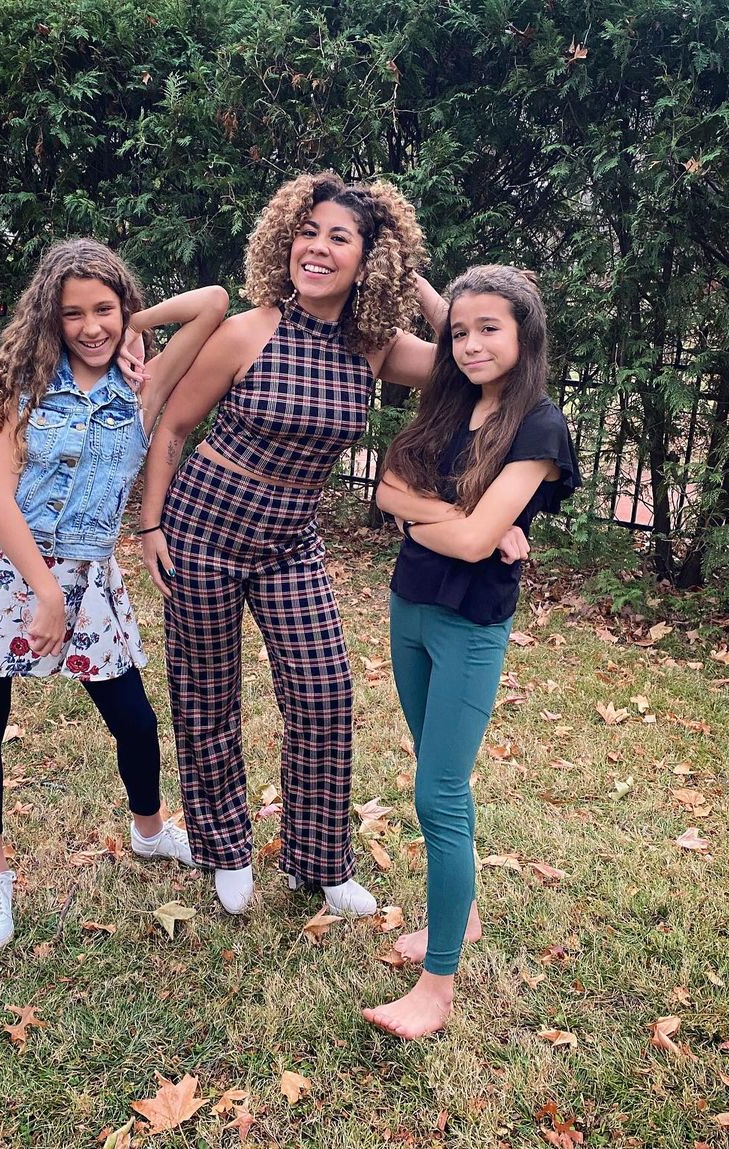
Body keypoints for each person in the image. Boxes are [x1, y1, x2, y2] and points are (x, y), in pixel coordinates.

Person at [138, 172, 444, 917]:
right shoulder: (249, 330)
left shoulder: (374, 348)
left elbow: (460, 362)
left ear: (368, 258)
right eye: (307, 232)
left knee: (324, 692)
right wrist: (149, 524)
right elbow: (174, 425)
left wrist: (411, 276)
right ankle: (225, 848)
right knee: (206, 693)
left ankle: (321, 860)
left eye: (340, 237)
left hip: (289, 543)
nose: (317, 248)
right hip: (203, 528)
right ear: (285, 241)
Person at [0, 238, 228, 949]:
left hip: (88, 576)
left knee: (135, 721)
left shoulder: (142, 388)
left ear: (124, 308)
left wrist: (137, 327)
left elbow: (213, 302)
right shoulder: (22, 384)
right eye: (73, 313)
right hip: (3, 568)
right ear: (49, 318)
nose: (91, 327)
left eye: (104, 310)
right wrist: (45, 591)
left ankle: (149, 830)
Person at [362, 265, 581, 1038]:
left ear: (525, 334)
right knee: (436, 771)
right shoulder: (450, 402)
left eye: (490, 328)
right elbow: (386, 491)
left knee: (438, 792)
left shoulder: (539, 427)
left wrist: (454, 524)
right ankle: (468, 912)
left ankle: (438, 986)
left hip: (469, 624)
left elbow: (471, 540)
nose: (471, 343)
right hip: (409, 607)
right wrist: (463, 522)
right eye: (459, 331)